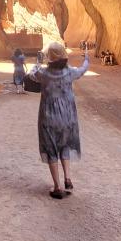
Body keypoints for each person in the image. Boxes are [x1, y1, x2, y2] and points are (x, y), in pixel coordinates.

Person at [28, 41, 90, 199]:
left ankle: (57, 187)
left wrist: (38, 61)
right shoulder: (70, 72)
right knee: (64, 146)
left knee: (51, 150)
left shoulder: (44, 73)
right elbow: (83, 70)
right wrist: (87, 58)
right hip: (67, 118)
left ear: (50, 56)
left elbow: (31, 73)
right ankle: (67, 179)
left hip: (49, 117)